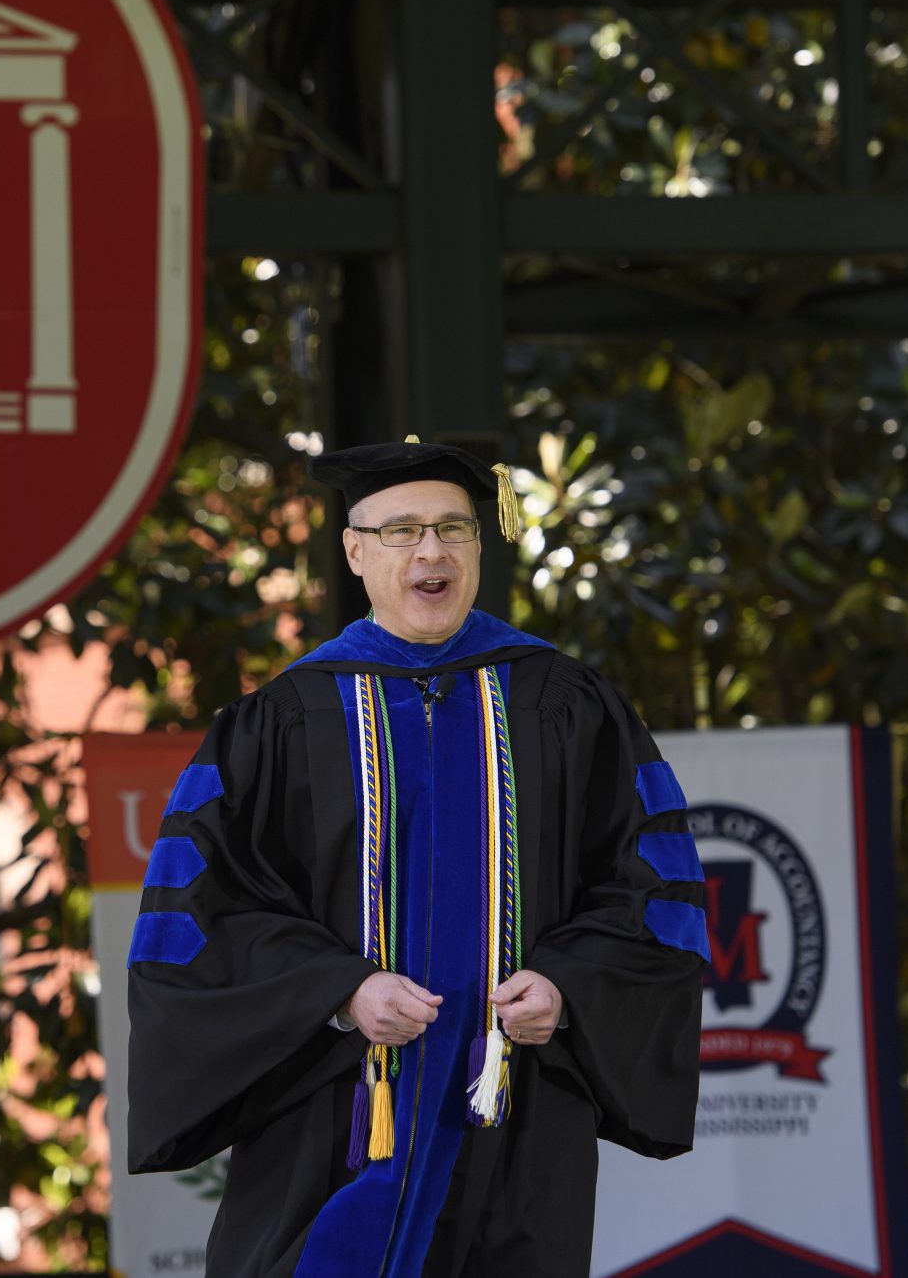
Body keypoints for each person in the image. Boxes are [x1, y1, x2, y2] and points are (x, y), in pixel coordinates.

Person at [125, 439, 706, 1277]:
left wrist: (569, 986)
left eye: (452, 529)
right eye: (401, 531)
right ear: (356, 552)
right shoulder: (281, 721)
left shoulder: (566, 704)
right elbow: (206, 917)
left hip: (515, 1117)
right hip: (335, 1117)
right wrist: (340, 990)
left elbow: (649, 885)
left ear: (481, 545)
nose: (430, 552)